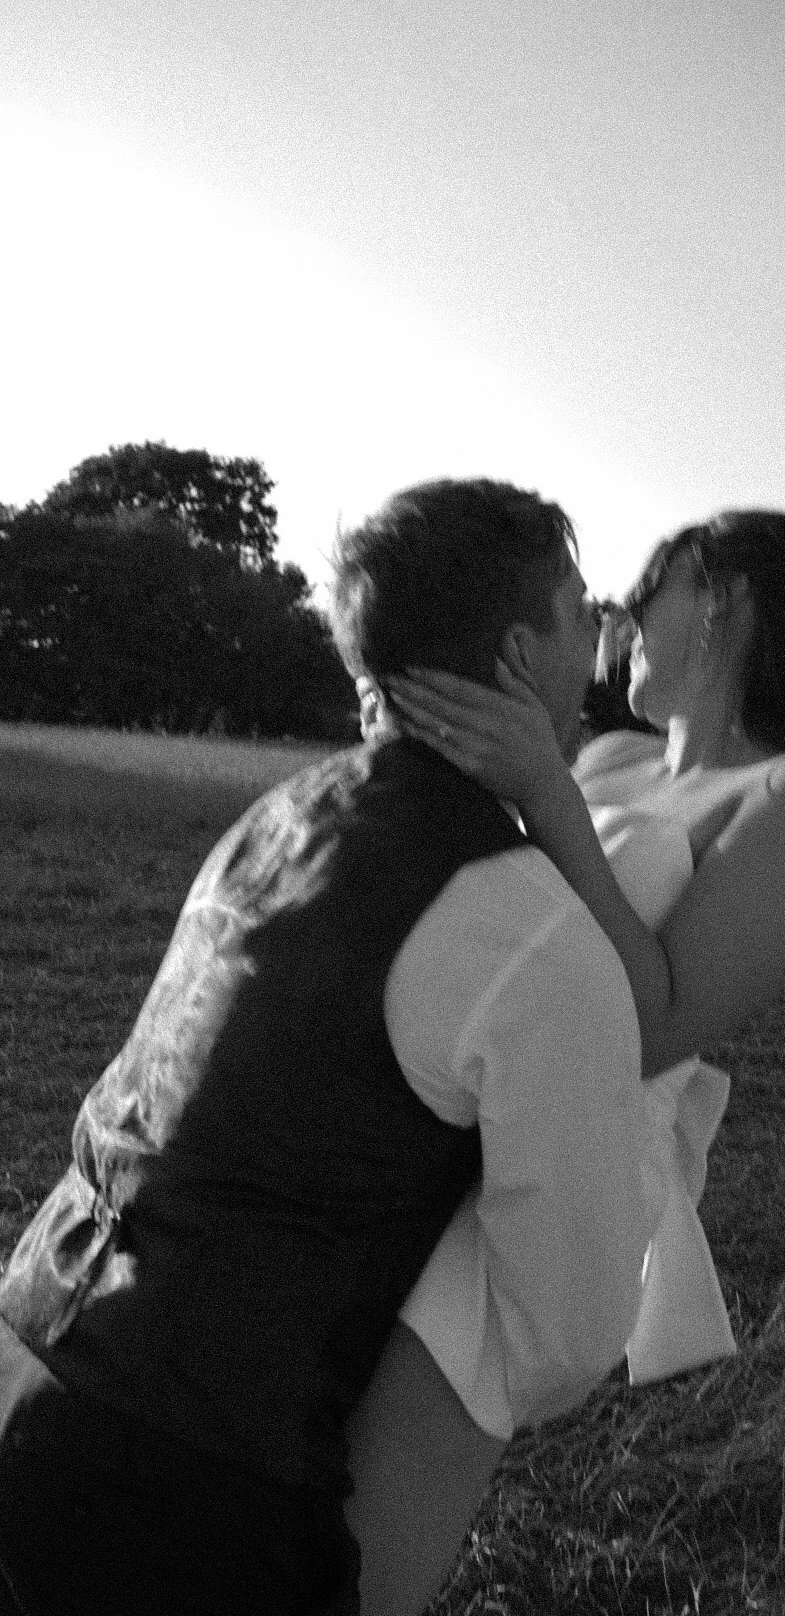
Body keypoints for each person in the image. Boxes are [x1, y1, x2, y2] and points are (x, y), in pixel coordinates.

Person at [0, 479, 655, 1616]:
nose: (601, 627)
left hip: (22, 1341)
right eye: (580, 604)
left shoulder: (275, 813)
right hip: (184, 1498)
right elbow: (569, 1333)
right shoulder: (539, 935)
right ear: (521, 652)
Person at [381, 508, 785, 1504]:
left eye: (646, 592)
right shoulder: (614, 760)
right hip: (439, 1111)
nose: (621, 620)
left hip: (557, 1161)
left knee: (377, 1505)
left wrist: (546, 794)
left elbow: (654, 1026)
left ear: (723, 598)